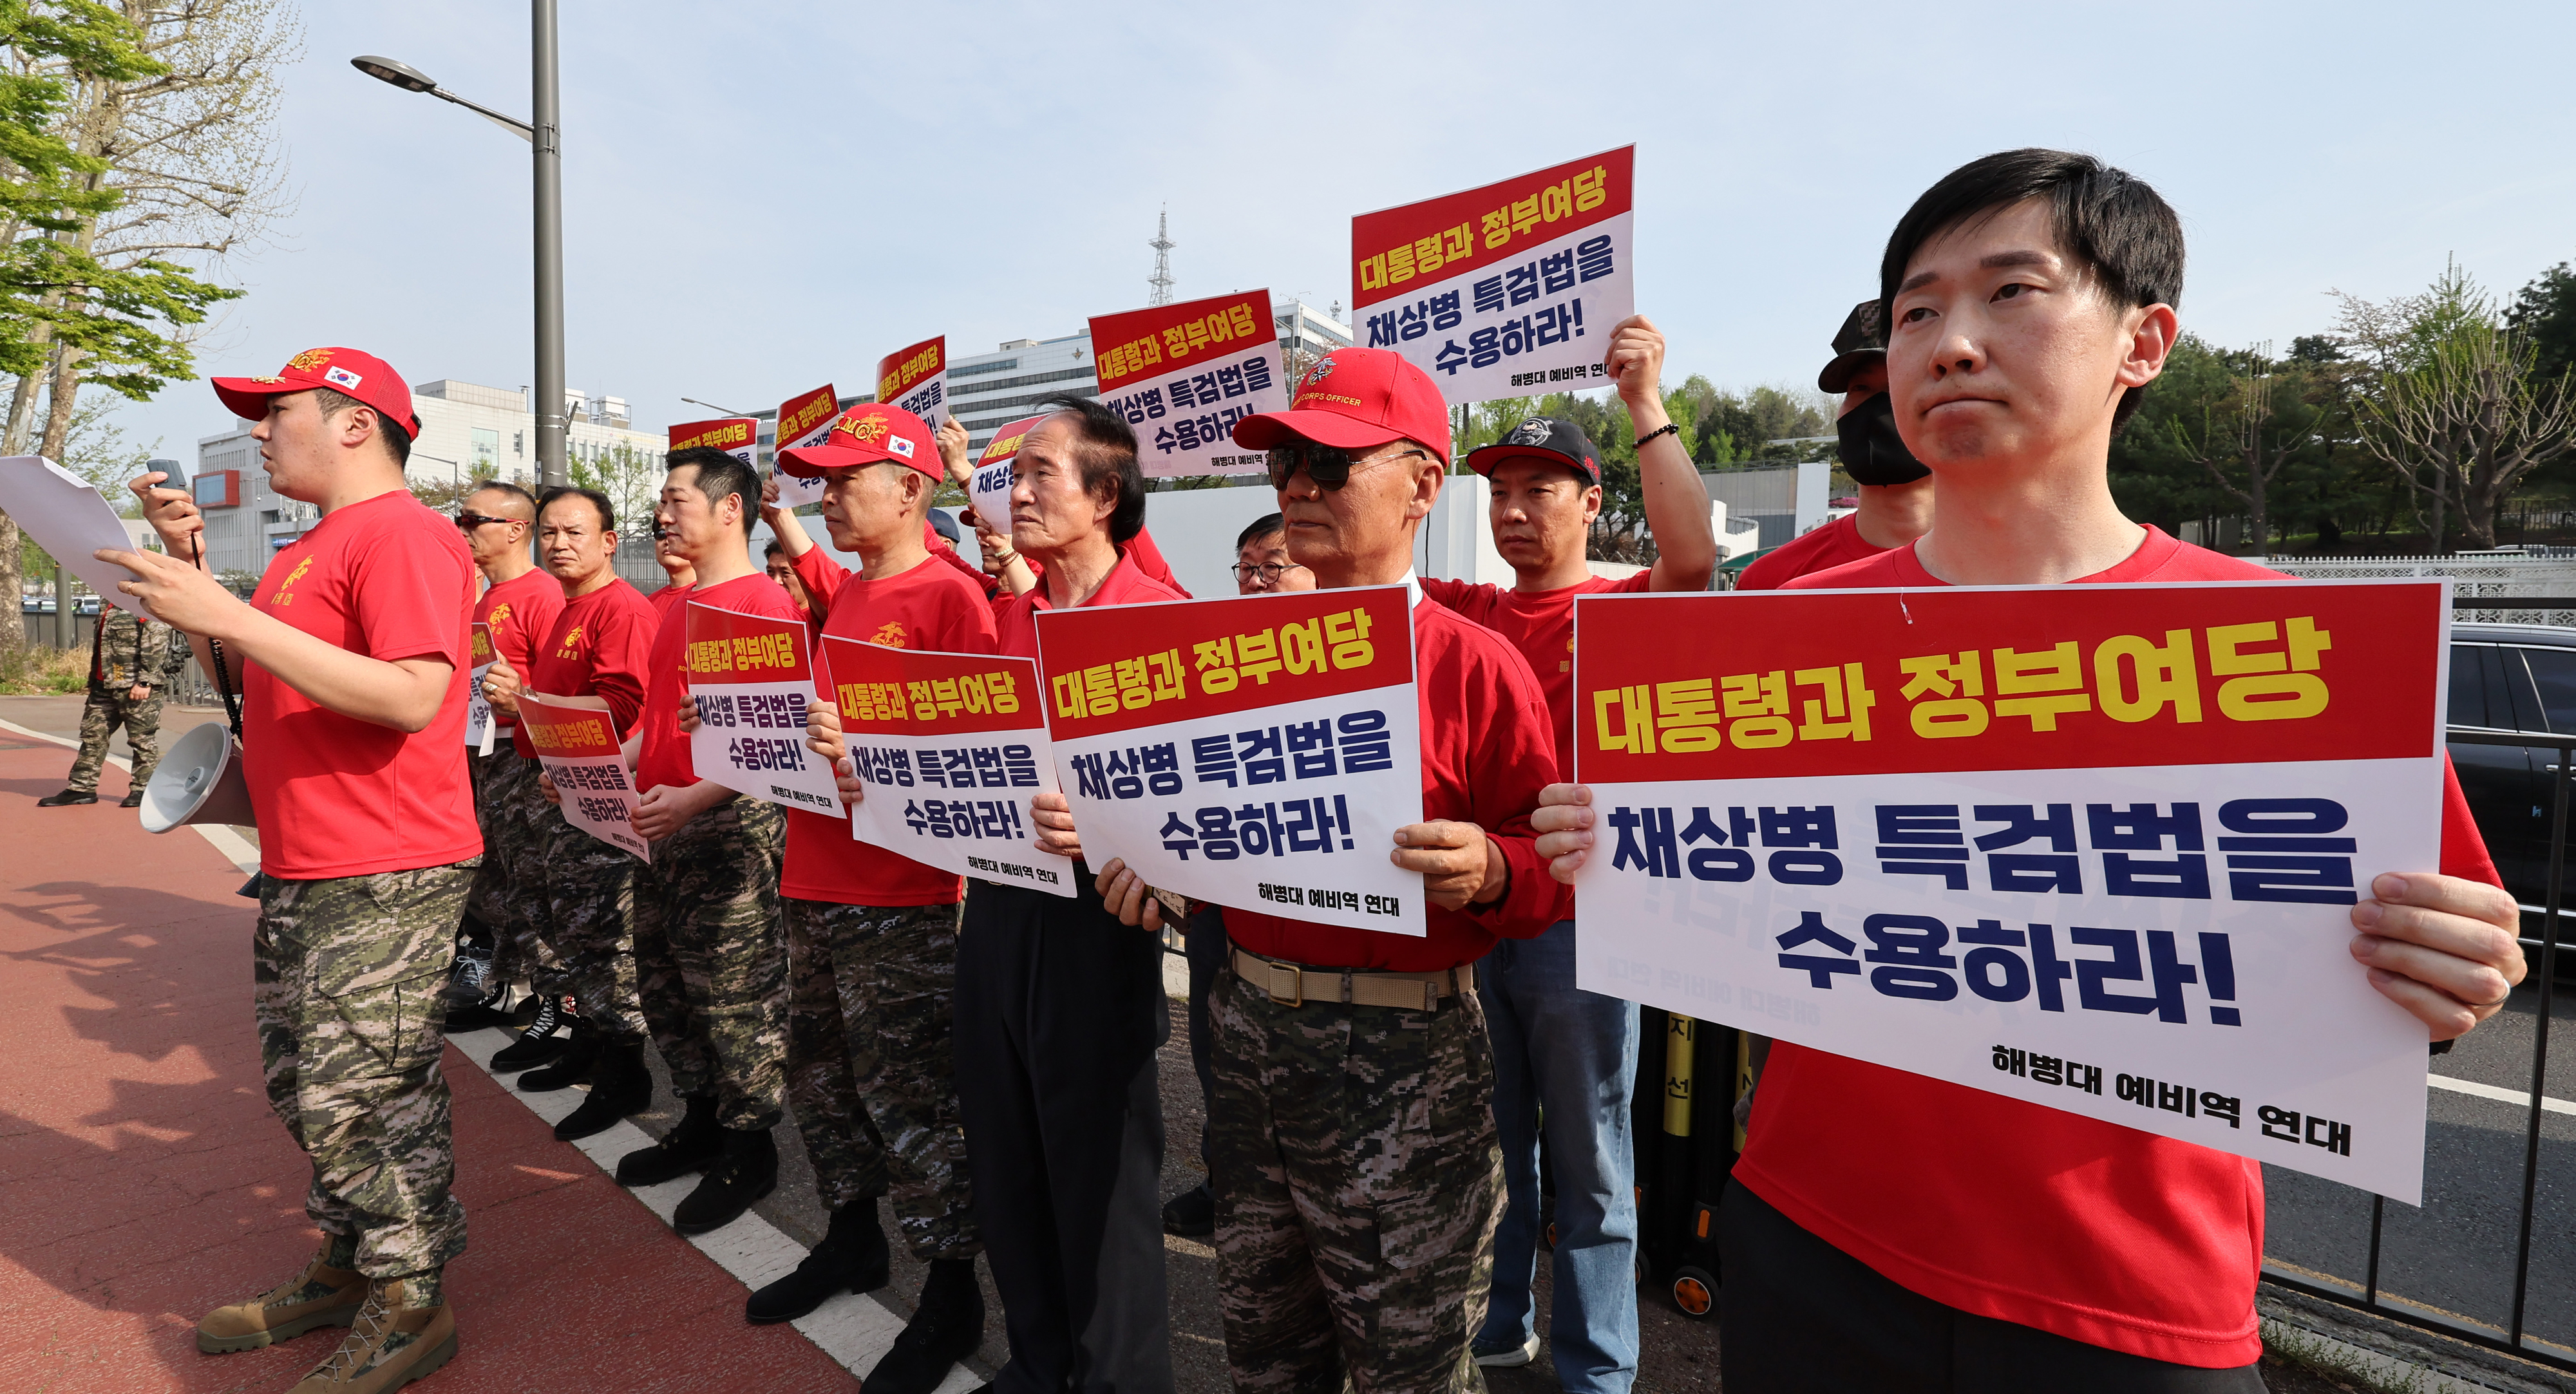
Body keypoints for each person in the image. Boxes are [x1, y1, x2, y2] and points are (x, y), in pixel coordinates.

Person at [1532, 150, 2528, 1393]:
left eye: (2013, 293)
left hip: (2128, 1299)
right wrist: (1615, 849)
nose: (1950, 343)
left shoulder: (2280, 647)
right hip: (1809, 1239)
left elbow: (2421, 978)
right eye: (1916, 312)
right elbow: (1713, 890)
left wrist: (2456, 968)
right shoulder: (1779, 640)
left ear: (2144, 341)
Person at [1097, 346, 1565, 1393]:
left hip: (1410, 1058)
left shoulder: (1475, 665)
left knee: (1410, 1365)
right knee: (1266, 1349)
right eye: (1286, 464)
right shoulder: (1227, 661)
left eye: (1332, 463)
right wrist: (1145, 862)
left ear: (1424, 486)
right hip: (1247, 1039)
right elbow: (1194, 824)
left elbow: (1553, 876)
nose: (1299, 485)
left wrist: (1494, 868)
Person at [110, 347, 479, 1392]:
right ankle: (352, 1260)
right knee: (304, 1081)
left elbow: (413, 696)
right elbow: (259, 669)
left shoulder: (403, 533)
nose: (261, 432)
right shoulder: (310, 549)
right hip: (311, 858)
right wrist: (204, 589)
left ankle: (411, 1297)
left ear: (355, 423)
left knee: (362, 1091)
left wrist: (228, 613)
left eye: (278, 415)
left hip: (387, 861)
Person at [1406, 314, 1716, 1389]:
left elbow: (1694, 553)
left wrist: (1643, 400)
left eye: (1540, 488)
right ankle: (1501, 1322)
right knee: (1492, 1150)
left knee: (1590, 1163)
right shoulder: (1475, 611)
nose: (1513, 510)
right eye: (1498, 491)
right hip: (1474, 918)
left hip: (1586, 930)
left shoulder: (1632, 606)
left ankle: (1600, 1368)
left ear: (1592, 501)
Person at [735, 405, 991, 1394]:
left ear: (912, 490)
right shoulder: (850, 593)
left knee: (913, 1098)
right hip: (815, 877)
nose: (828, 497)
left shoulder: (953, 598)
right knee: (826, 1079)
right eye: (824, 482)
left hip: (906, 893)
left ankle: (951, 1287)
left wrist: (872, 759)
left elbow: (978, 749)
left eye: (846, 482)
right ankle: (852, 1237)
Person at [953, 393, 1182, 1394]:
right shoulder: (1014, 617)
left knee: (1101, 1183)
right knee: (1007, 1158)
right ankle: (1040, 1364)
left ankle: (1118, 1378)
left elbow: (1204, 810)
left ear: (1107, 494)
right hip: (998, 913)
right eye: (1015, 474)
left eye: (1041, 472)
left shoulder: (1166, 624)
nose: (1019, 490)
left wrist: (1118, 832)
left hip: (1103, 926)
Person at [607, 446, 799, 1237]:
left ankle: (748, 1143)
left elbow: (775, 739)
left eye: (678, 497)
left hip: (727, 826)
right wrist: (595, 768)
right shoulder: (673, 607)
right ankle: (698, 1113)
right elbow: (653, 722)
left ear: (731, 509)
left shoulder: (764, 606)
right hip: (662, 821)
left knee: (733, 992)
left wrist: (692, 799)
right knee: (665, 981)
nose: (662, 511)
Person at [1161, 511, 1317, 1240]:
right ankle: (1224, 1180)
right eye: (1245, 565)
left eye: (1272, 564)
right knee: (1215, 1049)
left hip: (1312, 911)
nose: (1255, 580)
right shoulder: (1216, 656)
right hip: (1217, 900)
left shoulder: (1351, 663)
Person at [507, 485, 661, 1141]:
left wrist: (535, 707)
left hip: (596, 801)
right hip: (561, 790)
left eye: (574, 532)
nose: (559, 542)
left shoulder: (619, 608)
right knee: (574, 936)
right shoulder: (570, 608)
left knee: (604, 943)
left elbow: (625, 706)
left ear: (608, 541)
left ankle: (624, 1068)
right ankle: (592, 1047)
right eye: (549, 532)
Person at [450, 482, 571, 1050]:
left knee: (537, 884)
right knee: (499, 880)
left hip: (527, 757)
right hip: (486, 754)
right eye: (462, 517)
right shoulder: (484, 599)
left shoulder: (541, 594)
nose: (463, 527)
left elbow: (564, 687)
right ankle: (504, 984)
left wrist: (522, 699)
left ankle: (558, 1008)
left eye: (474, 518)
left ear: (516, 529)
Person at [1732, 300, 1934, 593]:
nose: (1876, 408)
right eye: (1859, 389)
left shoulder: (2010, 568)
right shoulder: (1772, 582)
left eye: (1898, 384)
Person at [38, 599, 175, 807]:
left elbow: (157, 642)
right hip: (104, 684)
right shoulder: (108, 604)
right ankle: (81, 788)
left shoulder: (144, 603)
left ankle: (143, 789)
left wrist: (146, 681)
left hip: (135, 686)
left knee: (142, 740)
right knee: (92, 736)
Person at [764, 538, 815, 621]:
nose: (776, 581)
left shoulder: (824, 621)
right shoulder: (762, 619)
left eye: (786, 573)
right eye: (770, 572)